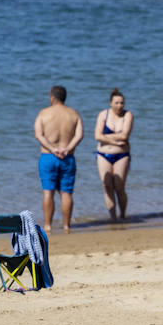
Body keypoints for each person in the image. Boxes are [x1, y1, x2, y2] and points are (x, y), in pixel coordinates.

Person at [34, 85, 84, 234]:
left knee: (48, 192)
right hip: (67, 157)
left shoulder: (43, 113)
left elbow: (39, 135)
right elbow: (79, 135)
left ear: (52, 97)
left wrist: (52, 148)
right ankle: (66, 226)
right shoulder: (73, 114)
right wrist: (67, 148)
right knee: (66, 192)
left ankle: (48, 226)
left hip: (48, 156)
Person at [94, 87, 133, 222]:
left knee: (119, 186)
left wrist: (107, 137)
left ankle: (122, 214)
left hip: (122, 155)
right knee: (107, 186)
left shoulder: (127, 115)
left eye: (122, 103)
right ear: (110, 103)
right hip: (103, 155)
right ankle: (113, 217)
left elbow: (125, 135)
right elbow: (97, 135)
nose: (119, 106)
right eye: (116, 103)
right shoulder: (103, 115)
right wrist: (116, 141)